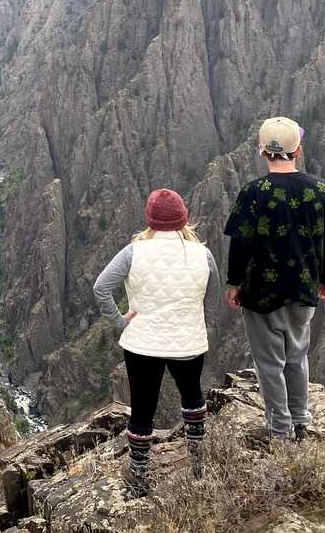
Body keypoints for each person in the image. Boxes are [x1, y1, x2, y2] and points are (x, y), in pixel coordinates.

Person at [223, 116, 325, 442]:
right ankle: (300, 420)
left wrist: (234, 282)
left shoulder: (253, 193)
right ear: (298, 149)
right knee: (297, 355)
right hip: (304, 288)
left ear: (261, 151)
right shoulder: (322, 190)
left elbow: (240, 243)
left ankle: (279, 431)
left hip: (261, 294)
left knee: (269, 363)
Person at [94, 188, 221, 496]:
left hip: (142, 345)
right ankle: (198, 466)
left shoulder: (133, 252)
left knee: (142, 409)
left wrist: (120, 320)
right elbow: (213, 298)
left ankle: (139, 476)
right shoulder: (202, 254)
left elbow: (101, 288)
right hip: (188, 343)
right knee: (192, 397)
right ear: (183, 219)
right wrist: (195, 321)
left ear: (149, 219)